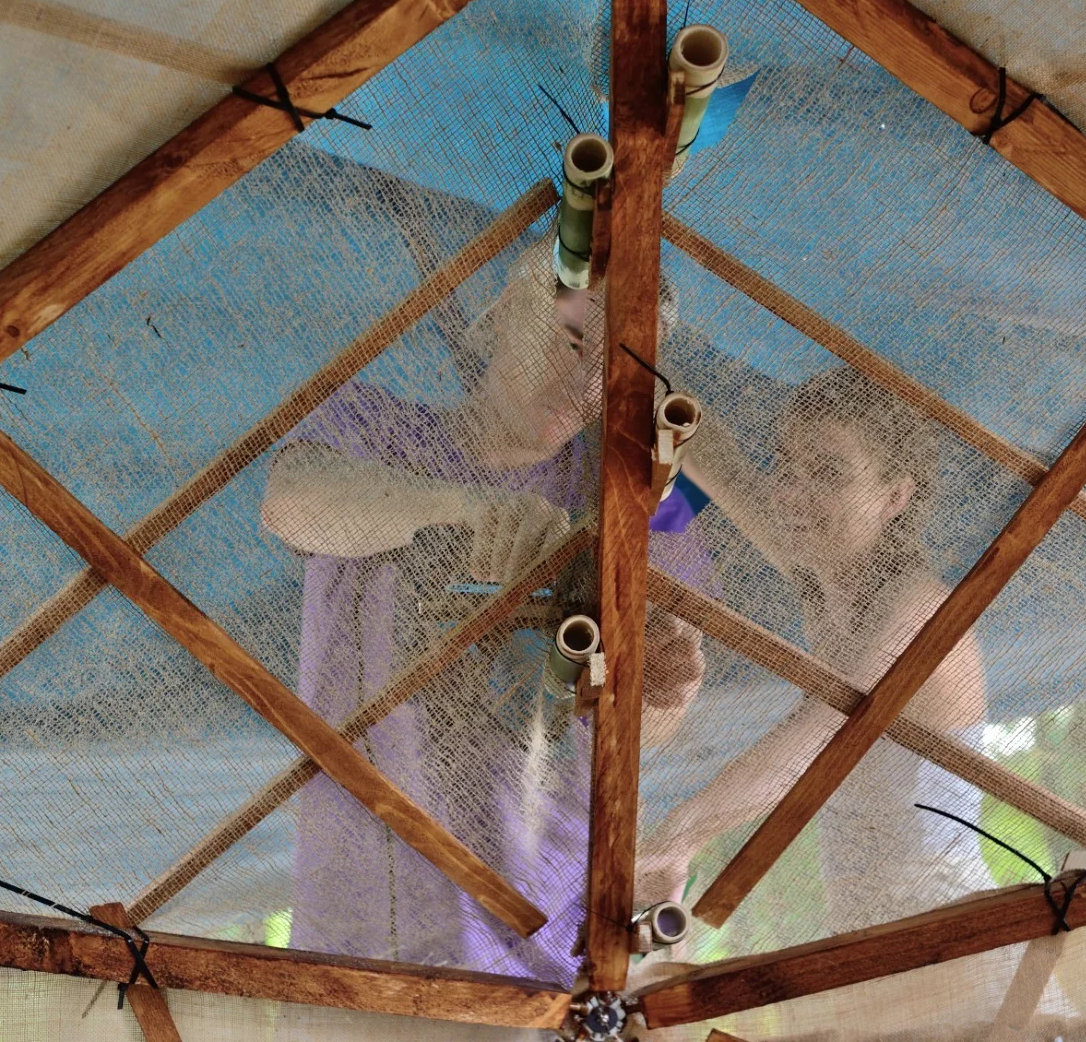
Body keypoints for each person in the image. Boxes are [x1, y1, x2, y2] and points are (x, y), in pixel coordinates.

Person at [261, 239, 710, 982]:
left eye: (615, 370)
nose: (585, 382)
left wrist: (661, 688)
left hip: (549, 928)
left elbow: (658, 723)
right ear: (501, 311)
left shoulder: (647, 499)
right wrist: (465, 510)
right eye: (572, 340)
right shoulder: (372, 425)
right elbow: (290, 501)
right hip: (367, 913)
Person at [636, 366, 992, 933]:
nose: (790, 495)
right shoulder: (824, 573)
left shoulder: (920, 610)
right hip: (856, 926)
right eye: (785, 467)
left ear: (895, 496)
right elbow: (719, 462)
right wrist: (628, 366)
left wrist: (677, 836)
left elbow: (816, 738)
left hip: (950, 924)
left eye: (827, 474)